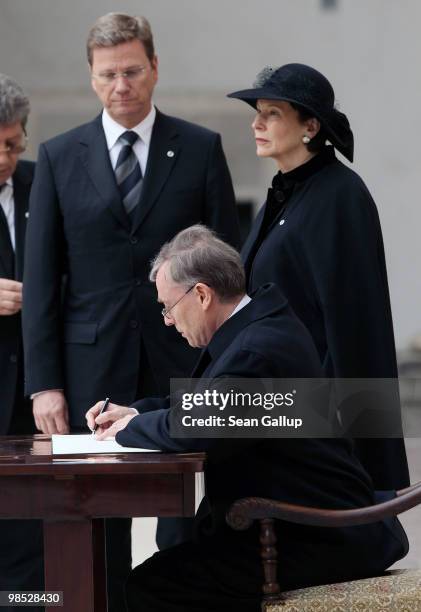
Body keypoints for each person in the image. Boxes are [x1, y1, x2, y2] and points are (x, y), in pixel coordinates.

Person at [22, 12, 239, 611]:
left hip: (185, 356)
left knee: (189, 503)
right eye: (108, 74)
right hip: (92, 360)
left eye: (133, 71)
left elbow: (227, 270)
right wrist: (43, 384)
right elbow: (42, 281)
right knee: (98, 505)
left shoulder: (199, 149)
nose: (122, 85)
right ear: (92, 78)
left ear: (155, 68)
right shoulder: (60, 157)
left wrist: (228, 356)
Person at [86, 225, 408, 612]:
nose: (168, 321)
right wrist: (137, 412)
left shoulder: (256, 349)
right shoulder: (256, 325)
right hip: (299, 523)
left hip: (316, 535)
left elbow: (198, 426)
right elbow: (208, 404)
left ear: (202, 295)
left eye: (168, 308)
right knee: (163, 567)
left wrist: (129, 430)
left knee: (148, 587)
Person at [227, 62, 409, 490]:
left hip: (315, 417)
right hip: (276, 404)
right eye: (257, 112)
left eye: (272, 113)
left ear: (310, 126)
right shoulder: (285, 192)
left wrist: (345, 433)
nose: (257, 123)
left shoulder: (340, 195)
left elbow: (355, 323)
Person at [0, 74, 44, 611]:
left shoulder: (42, 180)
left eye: (12, 144)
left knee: (35, 526)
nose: (5, 158)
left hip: (36, 387)